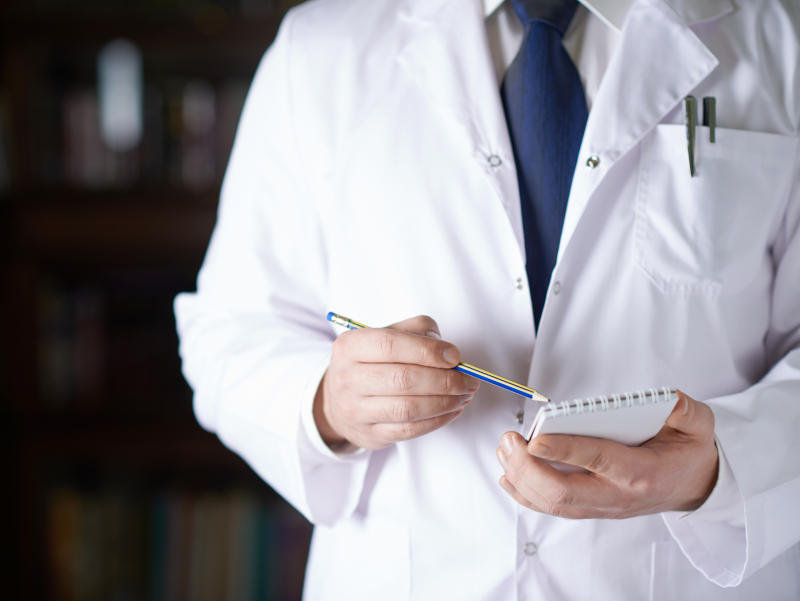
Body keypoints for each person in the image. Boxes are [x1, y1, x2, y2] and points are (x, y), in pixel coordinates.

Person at [174, 0, 800, 599]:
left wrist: (722, 467)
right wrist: (327, 404)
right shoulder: (318, 49)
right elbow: (230, 328)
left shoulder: (782, 40)